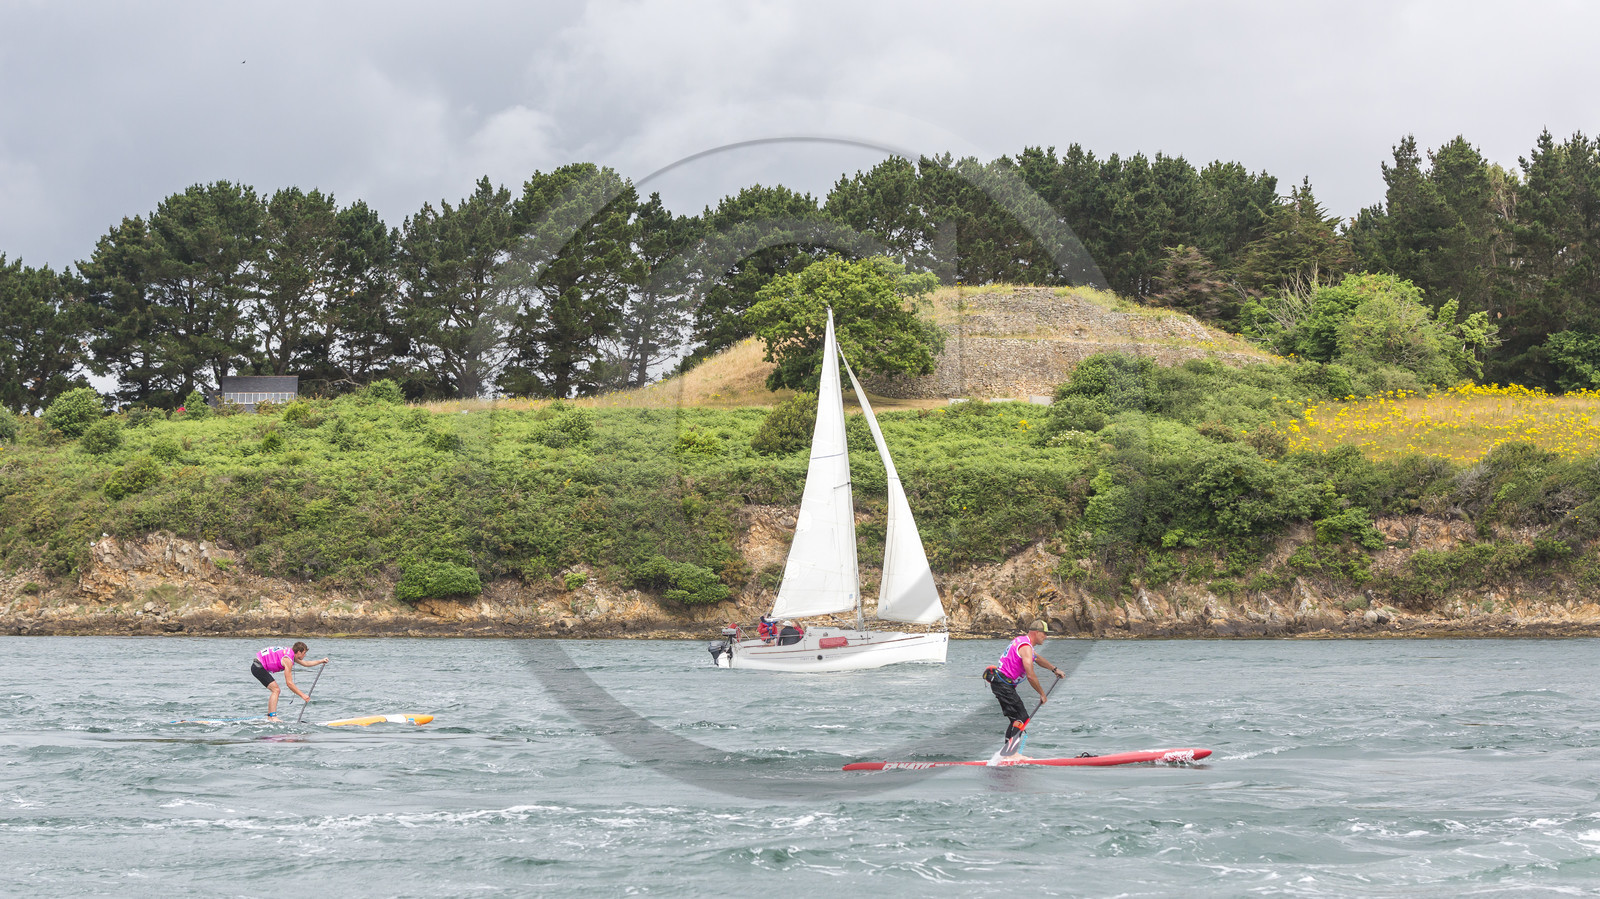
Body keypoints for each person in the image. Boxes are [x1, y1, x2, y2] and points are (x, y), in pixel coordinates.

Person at [985, 619, 1064, 757]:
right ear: (1036, 632)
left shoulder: (1022, 641)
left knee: (1017, 719)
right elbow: (1031, 676)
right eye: (1044, 634)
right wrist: (1042, 694)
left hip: (1002, 684)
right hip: (1003, 684)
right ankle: (1011, 753)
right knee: (1022, 717)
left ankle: (1006, 753)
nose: (1046, 637)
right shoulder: (1026, 648)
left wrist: (1054, 669)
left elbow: (1037, 658)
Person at [251, 641, 328, 718]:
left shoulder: (290, 653)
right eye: (304, 653)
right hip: (258, 667)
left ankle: (270, 716)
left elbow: (306, 663)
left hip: (257, 665)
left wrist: (321, 661)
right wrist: (303, 695)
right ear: (298, 652)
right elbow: (289, 683)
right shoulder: (287, 660)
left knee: (275, 690)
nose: (305, 655)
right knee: (276, 690)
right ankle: (272, 717)